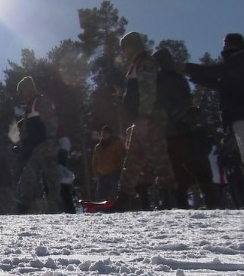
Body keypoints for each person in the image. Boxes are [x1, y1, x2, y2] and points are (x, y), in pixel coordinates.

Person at [179, 33, 244, 208]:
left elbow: (218, 71)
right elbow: (218, 83)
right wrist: (193, 75)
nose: (224, 46)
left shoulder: (242, 60)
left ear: (234, 44)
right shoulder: (235, 64)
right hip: (239, 116)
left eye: (226, 43)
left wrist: (189, 67)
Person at [113, 32, 177, 212]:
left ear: (132, 46)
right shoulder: (135, 65)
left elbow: (148, 91)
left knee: (158, 156)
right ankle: (123, 197)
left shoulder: (146, 62)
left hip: (150, 118)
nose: (123, 51)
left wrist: (144, 117)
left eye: (124, 47)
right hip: (141, 118)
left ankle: (168, 195)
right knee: (133, 158)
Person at [154, 48, 219, 209]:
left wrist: (171, 118)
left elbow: (184, 102)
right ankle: (186, 203)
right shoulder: (167, 79)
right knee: (181, 168)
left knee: (192, 166)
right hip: (174, 131)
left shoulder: (168, 79)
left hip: (181, 130)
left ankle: (209, 201)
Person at [14, 76, 61, 214]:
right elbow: (28, 129)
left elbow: (50, 120)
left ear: (28, 89)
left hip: (44, 145)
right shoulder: (29, 106)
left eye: (21, 91)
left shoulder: (40, 101)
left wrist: (51, 139)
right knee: (41, 176)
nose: (20, 94)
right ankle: (39, 207)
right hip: (36, 147)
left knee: (43, 176)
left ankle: (48, 208)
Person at [91, 126, 125, 202]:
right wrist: (95, 172)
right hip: (101, 174)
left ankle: (113, 209)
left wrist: (121, 170)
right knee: (100, 194)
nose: (103, 135)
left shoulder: (116, 144)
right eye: (102, 133)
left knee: (112, 193)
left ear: (110, 134)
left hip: (113, 172)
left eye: (105, 133)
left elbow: (121, 157)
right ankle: (99, 210)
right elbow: (94, 161)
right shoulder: (98, 147)